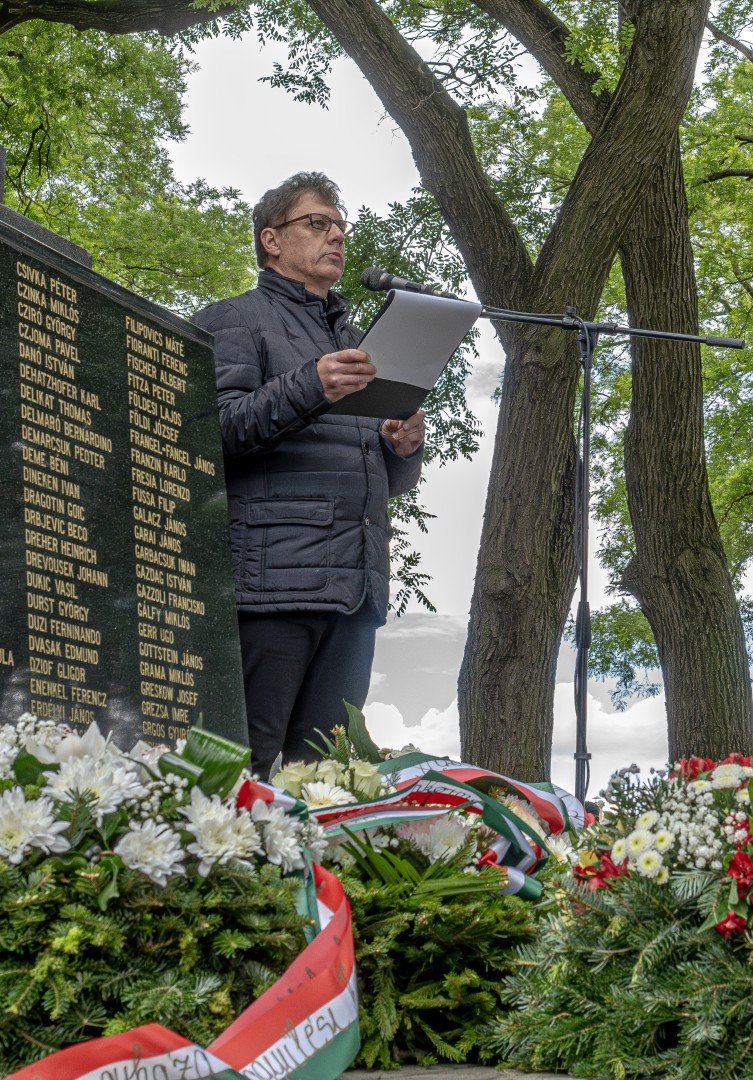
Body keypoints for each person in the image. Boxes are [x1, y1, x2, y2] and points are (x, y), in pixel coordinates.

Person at [194, 172, 426, 777]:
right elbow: (215, 434)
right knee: (237, 774)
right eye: (318, 223)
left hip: (355, 592)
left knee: (324, 782)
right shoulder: (232, 320)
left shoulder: (357, 341)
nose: (337, 237)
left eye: (341, 226)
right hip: (272, 586)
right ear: (271, 240)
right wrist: (310, 385)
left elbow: (380, 480)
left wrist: (402, 449)